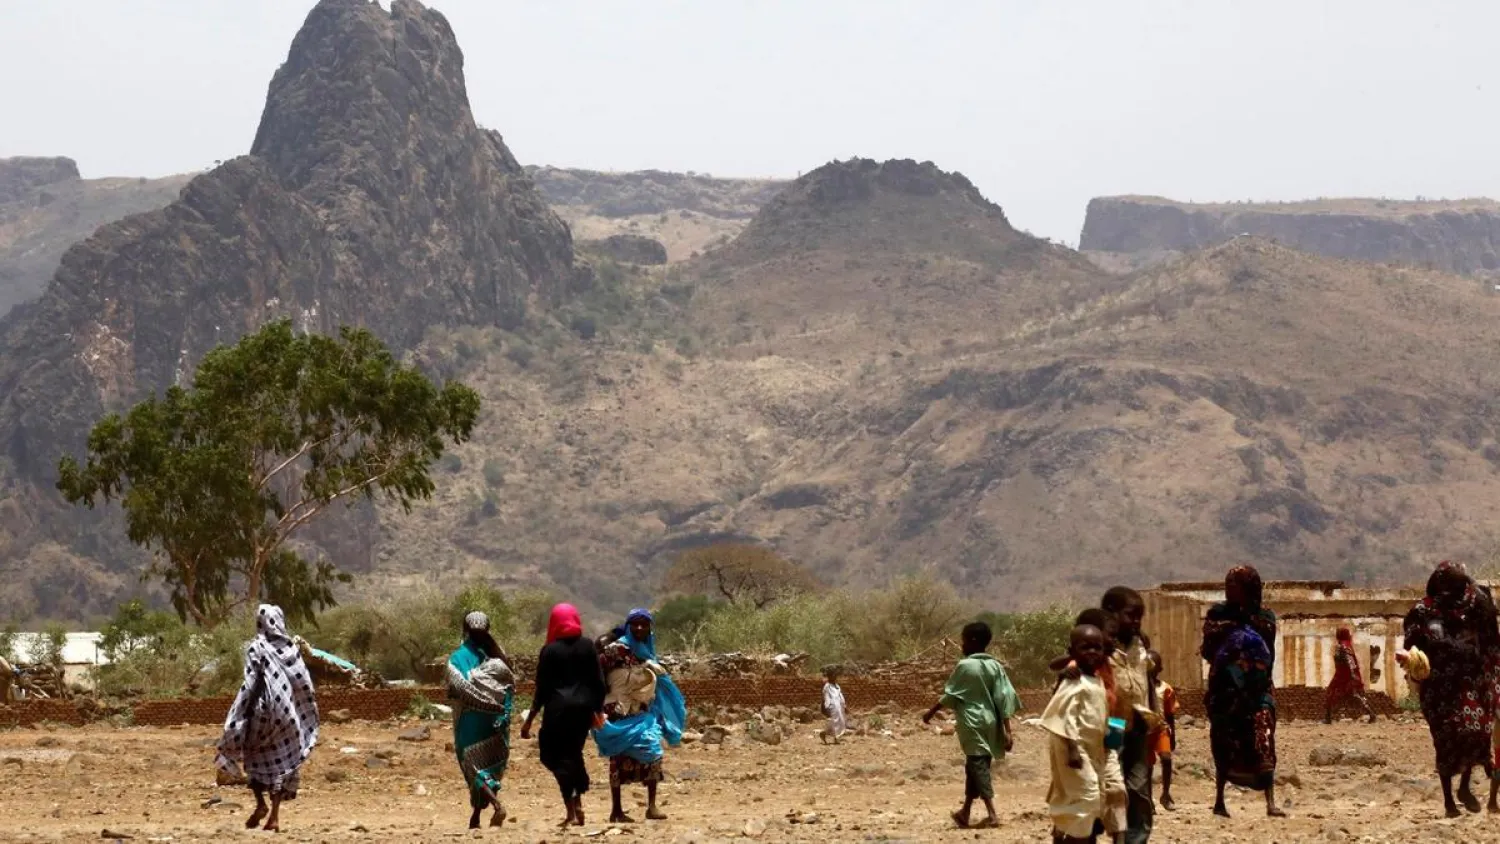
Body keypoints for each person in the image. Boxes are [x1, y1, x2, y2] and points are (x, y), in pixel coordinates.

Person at [1403, 561, 1500, 817]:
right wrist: (1414, 656)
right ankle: (1448, 801)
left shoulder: (1476, 602)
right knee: (1445, 740)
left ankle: (1465, 787)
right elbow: (1416, 645)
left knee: (1477, 731)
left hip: (1470, 681)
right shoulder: (1424, 611)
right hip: (1439, 687)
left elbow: (1491, 637)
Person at [215, 605, 319, 833]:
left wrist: (239, 714)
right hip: (289, 716)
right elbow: (303, 682)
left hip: (264, 715)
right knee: (282, 764)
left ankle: (261, 803)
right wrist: (304, 712)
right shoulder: (291, 649)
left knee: (254, 757)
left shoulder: (257, 647)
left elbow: (251, 683)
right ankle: (274, 816)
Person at [1200, 565, 1283, 819]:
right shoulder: (1217, 614)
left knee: (1264, 736)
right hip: (1225, 692)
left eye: (1233, 583)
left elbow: (1267, 648)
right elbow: (1207, 649)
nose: (1228, 588)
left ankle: (1270, 801)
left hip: (1258, 690)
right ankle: (1219, 801)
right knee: (1223, 740)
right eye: (1227, 583)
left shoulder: (1265, 617)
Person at [922, 620, 1021, 830]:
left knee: (978, 765)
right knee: (975, 766)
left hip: (972, 722)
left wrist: (929, 713)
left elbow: (951, 695)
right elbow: (1004, 697)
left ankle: (992, 813)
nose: (962, 645)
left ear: (974, 642)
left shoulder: (966, 666)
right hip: (991, 722)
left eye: (964, 641)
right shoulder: (995, 666)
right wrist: (1007, 730)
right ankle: (965, 812)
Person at [594, 608, 686, 823]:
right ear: (628, 626)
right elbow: (597, 671)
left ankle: (652, 806)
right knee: (617, 757)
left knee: (654, 751)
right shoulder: (617, 649)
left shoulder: (647, 650)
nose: (639, 628)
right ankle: (616, 810)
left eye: (644, 624)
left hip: (643, 712)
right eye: (635, 624)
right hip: (619, 712)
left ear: (649, 628)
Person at [521, 604, 607, 828]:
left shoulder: (549, 651)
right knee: (573, 754)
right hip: (583, 711)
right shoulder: (588, 646)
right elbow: (599, 682)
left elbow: (542, 689)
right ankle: (578, 801)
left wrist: (529, 720)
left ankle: (571, 809)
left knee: (552, 757)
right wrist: (598, 710)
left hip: (557, 711)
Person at [446, 611, 515, 830]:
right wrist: (503, 713)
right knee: (490, 766)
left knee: (473, 766)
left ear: (465, 630)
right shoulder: (497, 657)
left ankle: (496, 805)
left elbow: (457, 688)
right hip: (496, 720)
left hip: (470, 721)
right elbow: (509, 687)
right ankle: (475, 817)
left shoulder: (456, 658)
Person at [1044, 624, 1111, 844]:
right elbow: (1064, 715)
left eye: (1097, 648)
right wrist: (1072, 749)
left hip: (1095, 748)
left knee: (1096, 797)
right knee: (1087, 796)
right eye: (1085, 648)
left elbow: (1104, 713)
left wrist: (1112, 742)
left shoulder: (1098, 679)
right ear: (1072, 652)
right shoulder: (1074, 679)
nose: (1092, 652)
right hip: (1074, 748)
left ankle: (1074, 837)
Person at [1101, 586, 1158, 844]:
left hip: (1139, 725)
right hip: (1112, 725)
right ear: (1111, 613)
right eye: (1130, 615)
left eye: (1139, 617)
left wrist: (1155, 715)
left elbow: (1147, 678)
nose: (1136, 622)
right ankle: (1118, 835)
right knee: (1115, 785)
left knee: (1139, 786)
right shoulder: (1098, 646)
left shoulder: (1140, 644)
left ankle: (1137, 838)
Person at [1145, 649, 1177, 811]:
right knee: (1148, 766)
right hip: (1144, 731)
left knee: (1166, 758)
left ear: (1159, 669)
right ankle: (1148, 799)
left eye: (1153, 666)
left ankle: (1165, 794)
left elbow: (1170, 714)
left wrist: (1173, 736)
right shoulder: (1139, 688)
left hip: (1161, 729)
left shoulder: (1165, 688)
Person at [1324, 627, 1376, 724]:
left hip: (1343, 676)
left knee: (1330, 693)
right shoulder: (1346, 645)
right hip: (1344, 675)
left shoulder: (1343, 646)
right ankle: (1371, 714)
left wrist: (1352, 675)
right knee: (1353, 695)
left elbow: (1350, 662)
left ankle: (1328, 718)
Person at [820, 665, 847, 745]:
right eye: (833, 675)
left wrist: (844, 705)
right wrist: (827, 707)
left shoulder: (837, 686)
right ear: (830, 676)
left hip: (839, 706)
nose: (835, 677)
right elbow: (826, 697)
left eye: (835, 675)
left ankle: (824, 733)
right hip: (833, 707)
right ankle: (836, 738)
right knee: (835, 723)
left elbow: (840, 696)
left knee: (841, 722)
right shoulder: (827, 686)